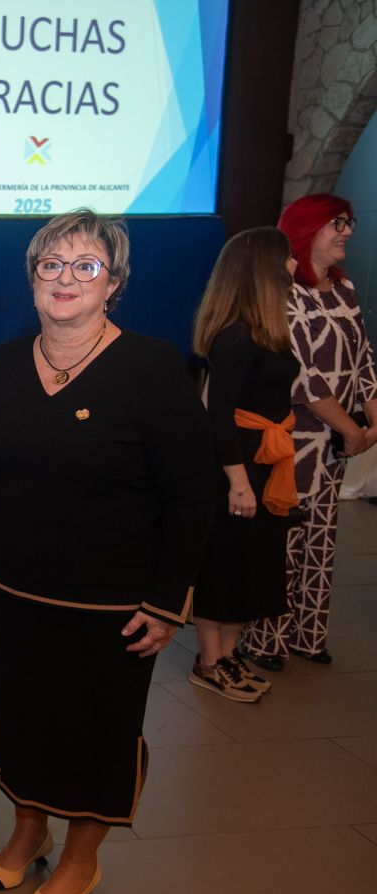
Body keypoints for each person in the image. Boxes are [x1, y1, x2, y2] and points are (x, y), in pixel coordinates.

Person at [0, 210, 212, 894]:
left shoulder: (154, 368)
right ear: (32, 278)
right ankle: (29, 827)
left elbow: (193, 491)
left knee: (94, 731)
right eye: (51, 264)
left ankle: (81, 856)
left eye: (85, 265)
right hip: (13, 591)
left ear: (115, 282)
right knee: (22, 718)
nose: (65, 278)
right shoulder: (5, 363)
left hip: (112, 606)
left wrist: (168, 601)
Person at [240, 194, 377, 669]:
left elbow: (364, 362)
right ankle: (265, 640)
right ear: (306, 227)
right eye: (336, 223)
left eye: (349, 222)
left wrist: (372, 419)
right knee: (283, 540)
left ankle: (308, 635)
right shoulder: (281, 293)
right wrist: (353, 430)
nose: (346, 231)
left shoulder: (345, 290)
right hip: (294, 438)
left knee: (323, 538)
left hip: (337, 442)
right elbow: (302, 377)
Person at [189, 227, 301, 701]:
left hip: (266, 459)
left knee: (251, 564)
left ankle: (229, 656)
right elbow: (218, 416)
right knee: (225, 564)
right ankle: (210, 660)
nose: (294, 266)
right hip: (239, 468)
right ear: (265, 271)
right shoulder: (234, 338)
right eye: (288, 258)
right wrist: (238, 483)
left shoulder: (265, 331)